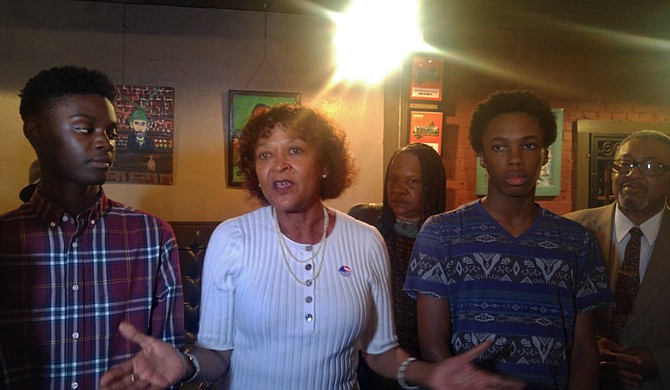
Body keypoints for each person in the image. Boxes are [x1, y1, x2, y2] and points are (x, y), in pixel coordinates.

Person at [99, 104, 525, 390]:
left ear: (324, 165)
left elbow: (380, 354)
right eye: (264, 155)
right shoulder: (232, 239)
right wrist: (186, 365)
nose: (277, 165)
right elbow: (216, 356)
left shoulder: (366, 241)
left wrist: (428, 375)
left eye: (294, 150)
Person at [404, 90, 614, 389]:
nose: (515, 159)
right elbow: (433, 346)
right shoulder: (441, 233)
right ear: (482, 158)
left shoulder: (577, 241)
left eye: (528, 145)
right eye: (500, 147)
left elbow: (583, 350)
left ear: (544, 155)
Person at [0, 65, 184, 389]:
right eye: (85, 129)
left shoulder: (153, 237)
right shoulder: (7, 240)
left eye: (111, 132)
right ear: (36, 132)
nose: (105, 143)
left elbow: (168, 358)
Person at [565, 130, 670, 389]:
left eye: (651, 166)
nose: (633, 174)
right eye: (624, 164)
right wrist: (588, 349)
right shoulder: (570, 230)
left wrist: (660, 360)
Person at [350, 142, 446, 389]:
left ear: (432, 186)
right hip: (369, 356)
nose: (399, 189)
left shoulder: (445, 237)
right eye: (393, 179)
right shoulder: (365, 226)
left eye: (412, 182)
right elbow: (342, 275)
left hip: (426, 361)